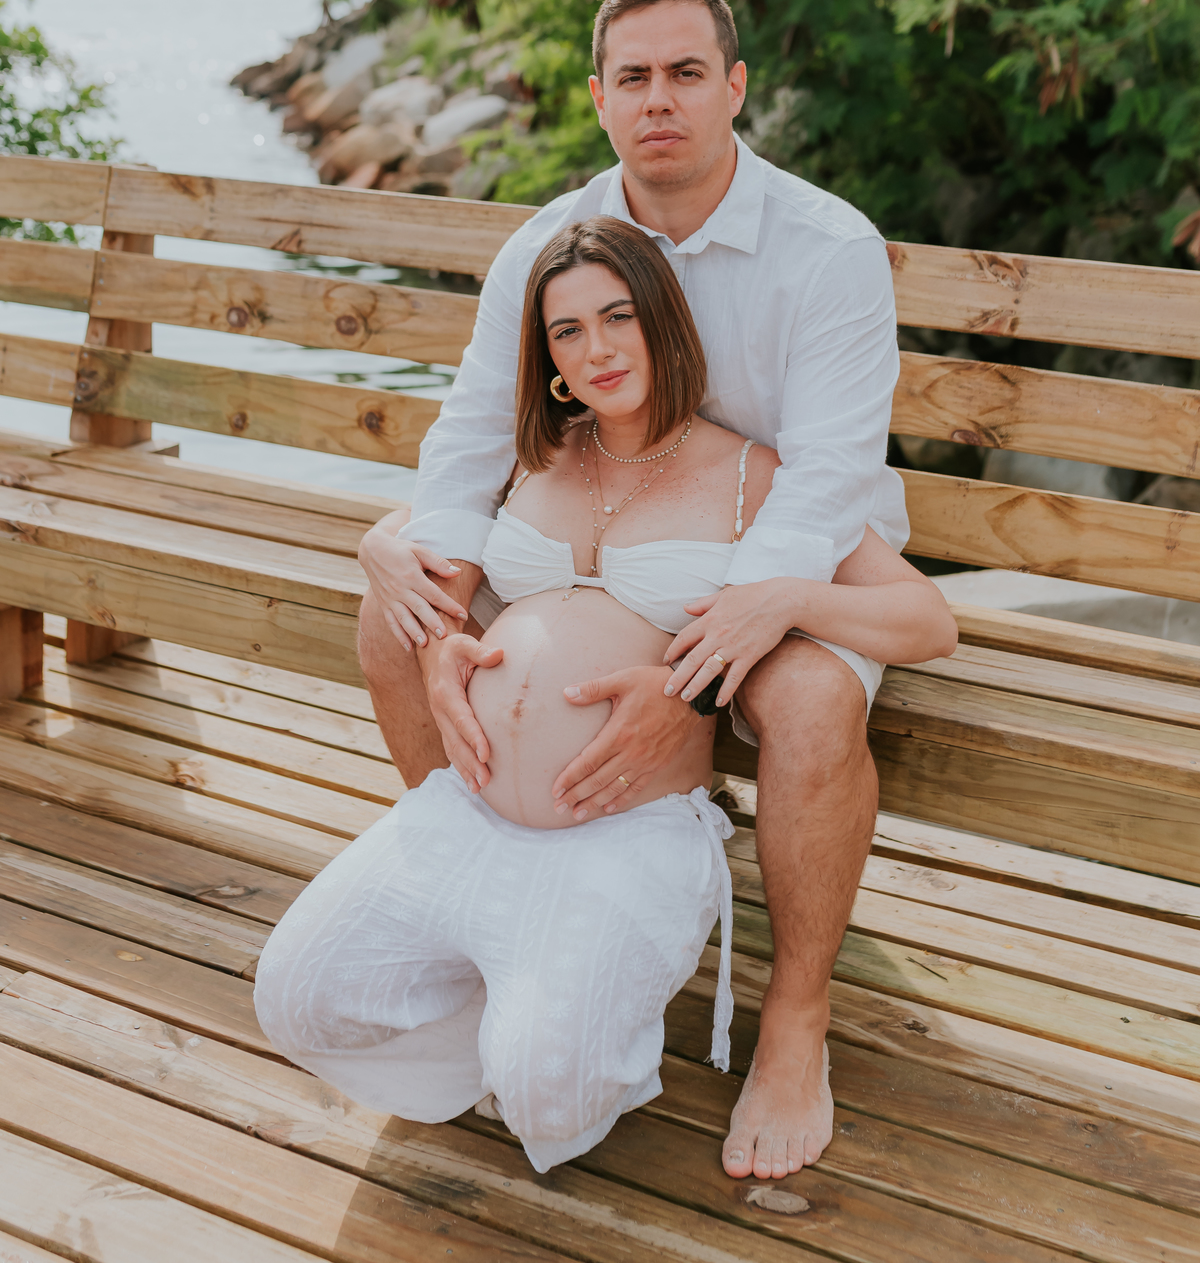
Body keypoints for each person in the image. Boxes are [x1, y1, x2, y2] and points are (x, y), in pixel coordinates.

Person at [356, 0, 920, 1181]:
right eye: (632, 78)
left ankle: (793, 1019)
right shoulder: (544, 246)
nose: (657, 99)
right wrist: (432, 574)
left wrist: (706, 653)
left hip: (777, 554)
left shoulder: (826, 249)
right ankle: (480, 909)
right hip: (587, 525)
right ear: (600, 98)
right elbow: (466, 440)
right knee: (394, 619)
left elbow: (825, 483)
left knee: (815, 701)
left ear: (734, 87)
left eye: (684, 72)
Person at [254, 219, 956, 1176]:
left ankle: (561, 1015)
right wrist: (380, 540)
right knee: (291, 999)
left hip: (624, 829)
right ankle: (493, 985)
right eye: (567, 331)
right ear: (546, 357)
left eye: (617, 316)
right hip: (469, 811)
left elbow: (929, 620)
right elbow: (431, 514)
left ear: (662, 323)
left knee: (545, 1089)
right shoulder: (537, 451)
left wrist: (788, 598)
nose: (596, 349)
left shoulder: (756, 478)